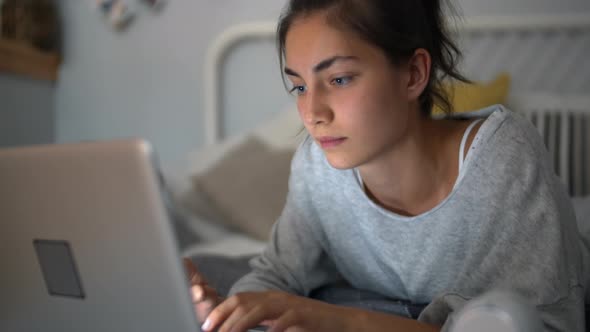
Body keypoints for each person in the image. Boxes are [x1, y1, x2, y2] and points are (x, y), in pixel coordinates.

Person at [184, 0, 586, 331]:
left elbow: (551, 324)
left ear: (413, 74)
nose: (312, 112)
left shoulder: (502, 157)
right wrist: (224, 313)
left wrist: (338, 320)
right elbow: (275, 277)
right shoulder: (317, 167)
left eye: (340, 79)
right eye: (300, 86)